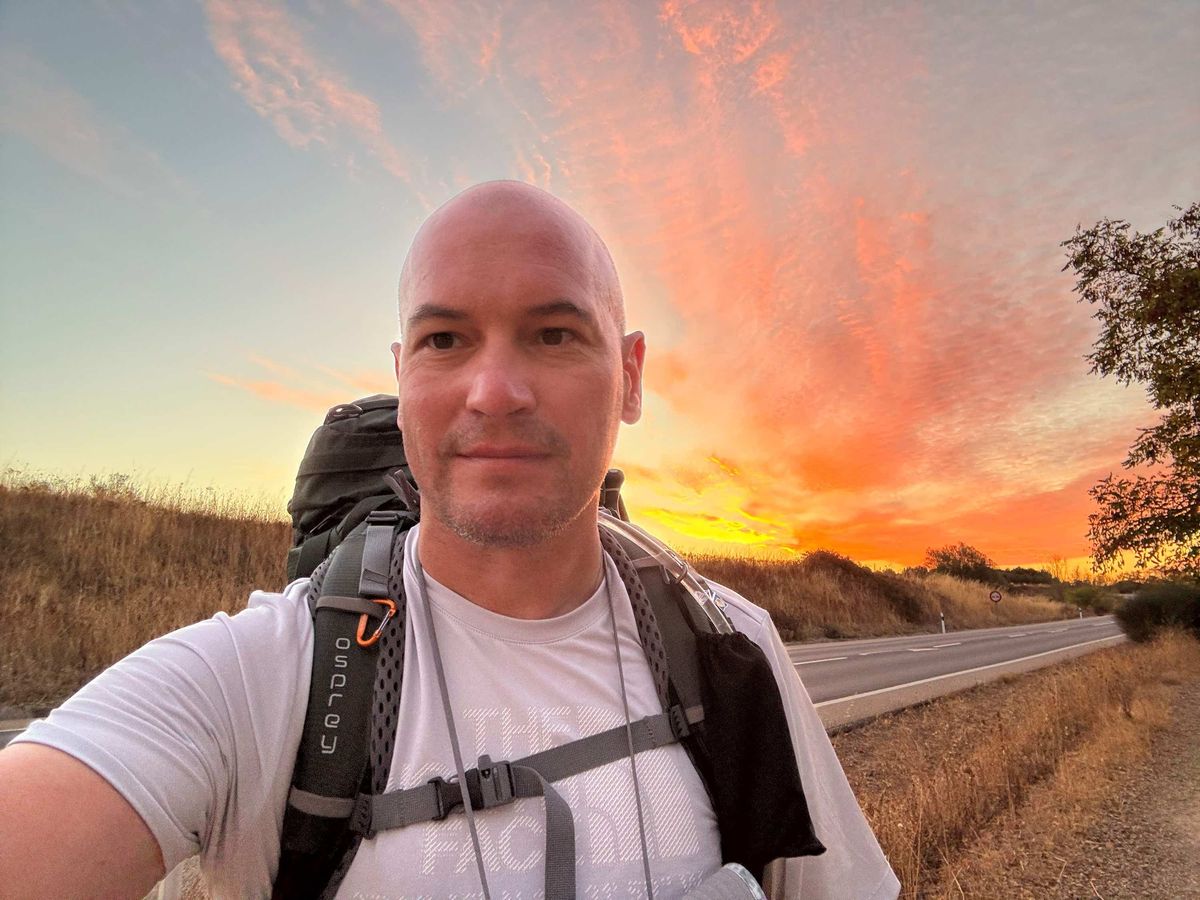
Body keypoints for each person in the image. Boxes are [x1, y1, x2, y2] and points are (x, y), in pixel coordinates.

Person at [0, 181, 899, 899]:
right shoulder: (265, 681)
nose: (495, 391)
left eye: (554, 333)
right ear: (403, 379)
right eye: (445, 339)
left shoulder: (732, 650)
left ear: (629, 377)